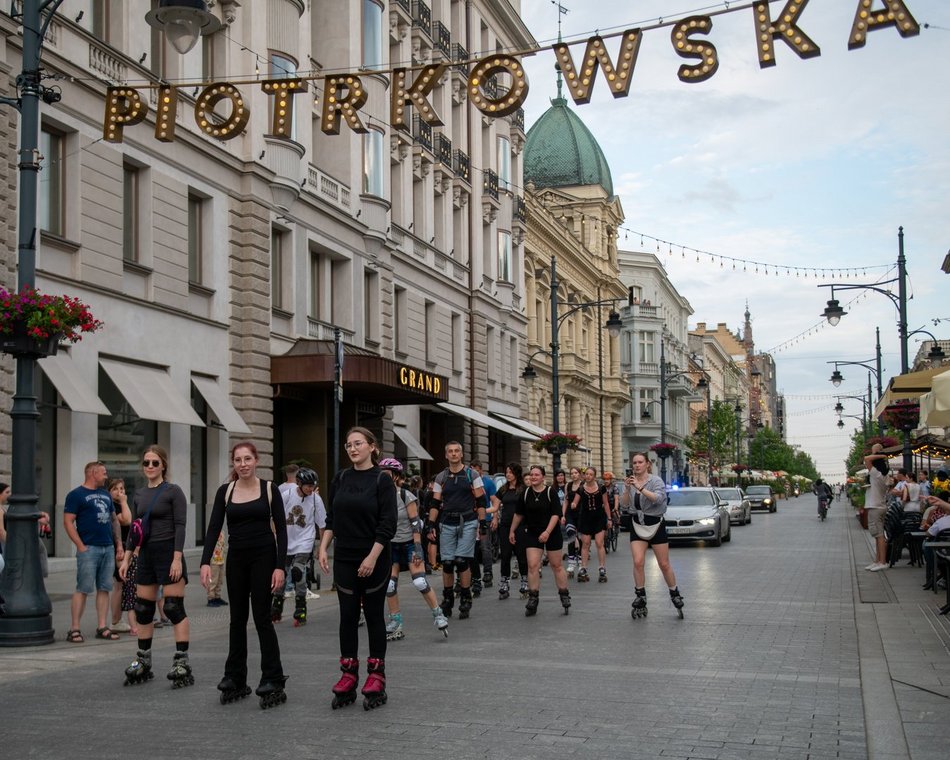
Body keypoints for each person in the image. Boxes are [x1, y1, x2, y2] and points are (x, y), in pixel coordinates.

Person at [199, 441, 288, 708]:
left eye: (247, 459)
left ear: (256, 460)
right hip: (236, 559)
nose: (243, 464)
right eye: (238, 460)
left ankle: (272, 677)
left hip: (264, 558)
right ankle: (234, 676)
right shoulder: (225, 491)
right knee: (237, 620)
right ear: (233, 464)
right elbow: (214, 527)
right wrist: (205, 563)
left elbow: (282, 531)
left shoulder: (269, 489)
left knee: (262, 618)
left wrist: (279, 566)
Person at [318, 427, 397, 710]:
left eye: (358, 444)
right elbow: (331, 517)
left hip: (374, 557)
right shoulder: (340, 478)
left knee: (374, 615)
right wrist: (323, 547)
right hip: (345, 557)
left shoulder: (382, 480)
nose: (353, 449)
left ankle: (376, 675)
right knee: (348, 616)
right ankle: (348, 674)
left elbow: (388, 524)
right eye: (349, 444)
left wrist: (372, 557)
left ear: (372, 447)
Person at [117, 446, 193, 688]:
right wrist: (127, 559)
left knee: (172, 608)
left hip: (169, 552)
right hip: (147, 554)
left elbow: (181, 525)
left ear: (163, 466)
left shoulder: (173, 491)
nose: (150, 467)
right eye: (146, 463)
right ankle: (143, 660)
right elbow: (135, 530)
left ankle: (182, 662)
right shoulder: (139, 494)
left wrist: (177, 558)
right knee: (143, 609)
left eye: (154, 463)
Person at [378, 458, 448, 641]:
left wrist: (417, 548)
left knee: (419, 582)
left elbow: (416, 523)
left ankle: (438, 614)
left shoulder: (405, 496)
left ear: (395, 476)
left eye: (386, 474)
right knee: (389, 585)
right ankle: (395, 621)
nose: (383, 477)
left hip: (409, 543)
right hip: (390, 545)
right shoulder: (377, 496)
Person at [63, 461, 124, 644]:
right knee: (83, 588)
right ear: (92, 473)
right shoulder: (76, 495)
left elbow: (114, 521)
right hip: (89, 548)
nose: (106, 476)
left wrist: (119, 544)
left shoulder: (105, 495)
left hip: (108, 547)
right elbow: (68, 522)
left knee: (105, 588)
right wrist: (80, 545)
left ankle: (102, 626)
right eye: (103, 473)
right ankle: (74, 629)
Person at [427, 441, 487, 620]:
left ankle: (466, 597)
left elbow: (481, 500)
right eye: (450, 452)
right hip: (446, 522)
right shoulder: (441, 477)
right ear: (446, 455)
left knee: (461, 561)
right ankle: (447, 598)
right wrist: (430, 524)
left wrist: (482, 522)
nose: (453, 454)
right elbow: (435, 503)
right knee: (446, 563)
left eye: (456, 451)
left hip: (467, 521)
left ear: (461, 454)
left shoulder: (471, 474)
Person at [621, 452, 683, 619]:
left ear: (647, 464)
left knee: (663, 563)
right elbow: (624, 505)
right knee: (638, 561)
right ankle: (640, 594)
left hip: (655, 523)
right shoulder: (630, 482)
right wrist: (627, 489)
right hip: (637, 523)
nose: (637, 465)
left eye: (640, 462)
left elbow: (658, 499)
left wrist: (640, 488)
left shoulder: (655, 481)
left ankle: (674, 592)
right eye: (634, 462)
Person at [510, 465, 571, 616]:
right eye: (532, 475)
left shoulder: (551, 492)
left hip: (552, 532)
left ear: (543, 477)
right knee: (532, 566)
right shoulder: (525, 494)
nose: (534, 477)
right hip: (532, 532)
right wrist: (512, 530)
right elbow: (518, 514)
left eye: (537, 475)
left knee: (556, 565)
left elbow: (556, 514)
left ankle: (564, 594)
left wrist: (547, 532)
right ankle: (533, 598)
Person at [271, 467, 321, 626]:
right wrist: (274, 537)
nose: (310, 489)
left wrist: (322, 547)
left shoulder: (315, 499)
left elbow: (322, 523)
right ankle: (276, 607)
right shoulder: (287, 495)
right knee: (282, 576)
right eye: (308, 486)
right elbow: (274, 517)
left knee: (298, 573)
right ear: (299, 484)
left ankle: (300, 609)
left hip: (305, 542)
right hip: (286, 542)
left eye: (312, 486)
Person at [570, 467, 612, 583]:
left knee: (599, 543)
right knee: (585, 544)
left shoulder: (601, 488)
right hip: (585, 518)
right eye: (586, 474)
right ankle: (583, 568)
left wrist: (609, 518)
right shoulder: (581, 488)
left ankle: (602, 568)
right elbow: (575, 501)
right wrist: (573, 504)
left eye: (590, 474)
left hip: (599, 517)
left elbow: (606, 503)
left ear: (594, 476)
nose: (588, 476)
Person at [491, 463, 526, 600]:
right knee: (505, 555)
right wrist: (483, 512)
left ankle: (525, 581)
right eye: (506, 472)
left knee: (521, 555)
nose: (508, 474)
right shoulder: (503, 489)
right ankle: (504, 583)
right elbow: (495, 506)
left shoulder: (523, 489)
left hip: (521, 526)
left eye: (510, 472)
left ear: (516, 473)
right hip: (505, 526)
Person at [107, 479, 135, 634]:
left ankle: (118, 619)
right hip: (119, 547)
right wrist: (124, 502)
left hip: (125, 546)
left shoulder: (121, 504)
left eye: (122, 488)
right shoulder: (115, 506)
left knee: (121, 584)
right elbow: (126, 520)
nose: (120, 492)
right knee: (120, 583)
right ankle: (116, 620)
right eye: (116, 489)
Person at [863, 446, 890, 572]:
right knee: (878, 535)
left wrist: (881, 455)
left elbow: (867, 459)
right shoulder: (885, 476)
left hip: (875, 507)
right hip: (881, 506)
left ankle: (882, 561)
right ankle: (877, 560)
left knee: (879, 536)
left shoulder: (876, 474)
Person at [471, 461, 497, 589]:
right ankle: (471, 575)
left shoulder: (488, 483)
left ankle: (487, 572)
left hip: (485, 518)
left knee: (485, 547)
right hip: (469, 519)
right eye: (472, 470)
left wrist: (495, 518)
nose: (474, 473)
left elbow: (494, 502)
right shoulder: (468, 481)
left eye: (476, 470)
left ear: (481, 470)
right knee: (471, 549)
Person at [562, 467, 583, 577]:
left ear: (579, 474)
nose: (574, 475)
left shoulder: (583, 485)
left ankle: (580, 562)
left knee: (580, 538)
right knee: (570, 536)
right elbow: (566, 501)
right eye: (572, 473)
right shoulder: (568, 485)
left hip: (581, 514)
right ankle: (571, 562)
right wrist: (563, 515)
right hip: (570, 514)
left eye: (576, 473)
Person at [206, 531, 229, 607]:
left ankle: (217, 597)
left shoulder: (222, 532)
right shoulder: (212, 532)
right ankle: (211, 598)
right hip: (214, 561)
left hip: (221, 560)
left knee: (220, 580)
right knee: (213, 580)